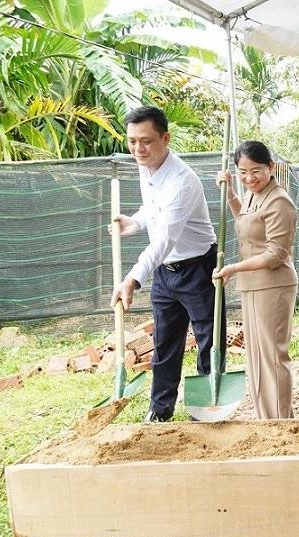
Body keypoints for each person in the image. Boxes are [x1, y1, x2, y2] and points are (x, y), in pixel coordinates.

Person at [110, 106, 220, 423]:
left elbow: (165, 240)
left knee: (208, 342)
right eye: (132, 141)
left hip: (197, 268)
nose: (138, 149)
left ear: (165, 138)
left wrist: (132, 279)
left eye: (145, 141)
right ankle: (160, 412)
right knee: (165, 343)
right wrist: (135, 221)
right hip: (165, 272)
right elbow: (154, 208)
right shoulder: (147, 168)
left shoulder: (182, 180)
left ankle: (207, 410)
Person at [214, 141, 298, 419]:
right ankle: (267, 418)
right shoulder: (253, 195)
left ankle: (280, 421)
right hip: (252, 285)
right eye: (242, 172)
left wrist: (234, 268)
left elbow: (276, 254)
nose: (250, 178)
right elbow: (246, 221)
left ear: (271, 168)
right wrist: (230, 195)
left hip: (273, 286)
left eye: (256, 171)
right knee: (256, 359)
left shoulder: (279, 201)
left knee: (272, 357)